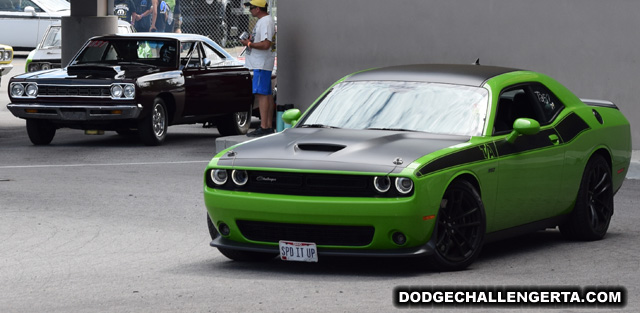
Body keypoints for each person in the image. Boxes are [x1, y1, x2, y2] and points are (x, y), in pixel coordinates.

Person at [240, 0, 276, 137]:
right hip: (261, 63)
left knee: (262, 94)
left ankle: (264, 126)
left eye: (252, 7)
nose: (250, 10)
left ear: (259, 9)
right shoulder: (265, 21)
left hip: (261, 63)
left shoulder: (265, 21)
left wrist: (249, 43)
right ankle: (267, 126)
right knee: (265, 94)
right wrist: (252, 40)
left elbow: (266, 44)